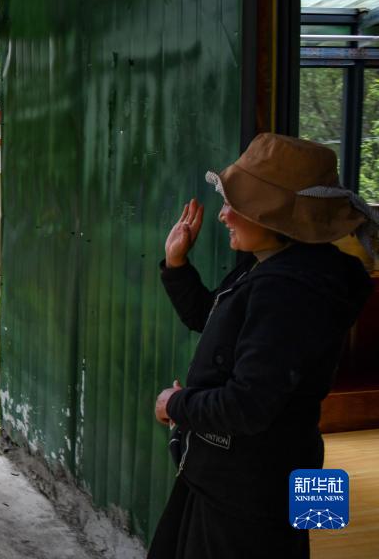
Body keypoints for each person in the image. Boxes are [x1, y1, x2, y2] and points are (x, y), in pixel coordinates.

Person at [148, 133, 375, 559]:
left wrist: (175, 404)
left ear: (276, 218)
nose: (223, 216)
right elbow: (212, 320)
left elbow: (247, 405)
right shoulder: (278, 268)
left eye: (237, 205)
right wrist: (177, 264)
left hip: (246, 488)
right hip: (273, 469)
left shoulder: (289, 291)